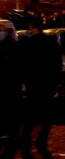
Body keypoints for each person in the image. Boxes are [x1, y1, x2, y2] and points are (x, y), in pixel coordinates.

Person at [19, 17, 62, 149]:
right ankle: (42, 137)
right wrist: (56, 81)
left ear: (33, 28)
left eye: (29, 28)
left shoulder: (29, 44)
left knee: (32, 109)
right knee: (47, 111)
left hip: (34, 82)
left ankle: (26, 136)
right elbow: (57, 63)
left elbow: (24, 64)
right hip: (48, 81)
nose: (28, 30)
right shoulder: (52, 42)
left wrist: (24, 80)